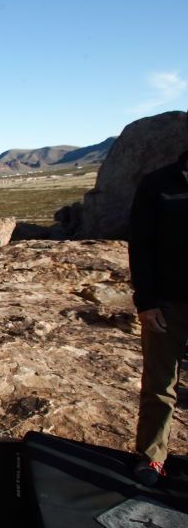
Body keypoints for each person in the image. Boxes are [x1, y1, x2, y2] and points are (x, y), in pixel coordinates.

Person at [128, 148, 188, 486]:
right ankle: (152, 457)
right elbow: (141, 245)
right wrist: (146, 302)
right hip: (166, 304)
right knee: (160, 384)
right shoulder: (157, 185)